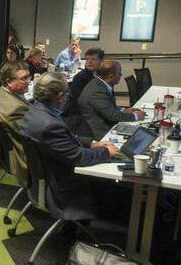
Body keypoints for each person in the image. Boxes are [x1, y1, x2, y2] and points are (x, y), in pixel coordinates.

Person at [20, 72, 121, 221]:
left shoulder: (35, 111)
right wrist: (106, 151)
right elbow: (78, 157)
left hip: (47, 177)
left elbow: (65, 140)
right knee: (117, 179)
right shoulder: (50, 125)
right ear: (60, 96)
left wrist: (92, 143)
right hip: (63, 186)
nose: (68, 97)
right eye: (68, 94)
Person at [0, 61, 33, 185]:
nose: (29, 81)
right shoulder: (15, 109)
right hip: (25, 156)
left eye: (29, 77)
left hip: (11, 152)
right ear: (8, 82)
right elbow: (34, 135)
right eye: (24, 78)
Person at [75, 60, 145, 139]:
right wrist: (135, 116)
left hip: (106, 124)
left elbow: (106, 106)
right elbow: (112, 116)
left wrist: (123, 110)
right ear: (111, 76)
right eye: (119, 73)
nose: (121, 75)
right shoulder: (97, 92)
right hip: (99, 133)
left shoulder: (100, 83)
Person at [65, 47, 104, 117]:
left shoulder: (103, 76)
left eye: (93, 59)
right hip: (81, 115)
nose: (89, 62)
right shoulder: (80, 78)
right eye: (87, 59)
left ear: (101, 61)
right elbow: (80, 102)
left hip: (97, 110)